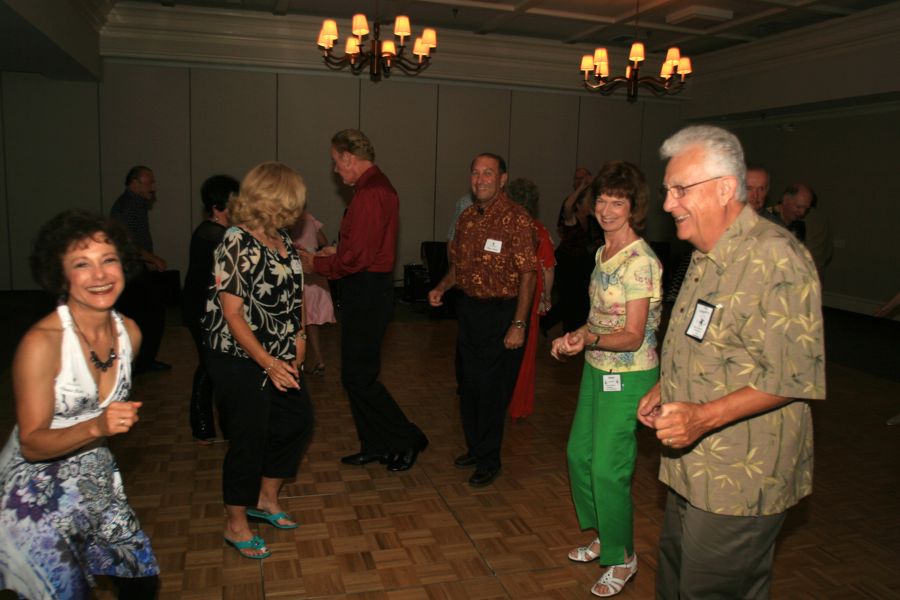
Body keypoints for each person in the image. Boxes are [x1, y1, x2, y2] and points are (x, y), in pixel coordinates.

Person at [638, 125, 826, 599]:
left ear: (725, 188)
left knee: (712, 591)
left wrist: (701, 417)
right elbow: (711, 342)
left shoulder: (775, 258)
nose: (667, 204)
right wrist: (667, 388)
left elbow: (793, 376)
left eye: (680, 189)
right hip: (693, 467)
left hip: (739, 477)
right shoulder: (708, 253)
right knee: (676, 582)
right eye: (667, 191)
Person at [0, 209, 159, 599]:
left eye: (109, 260)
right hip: (34, 499)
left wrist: (99, 433)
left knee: (141, 582)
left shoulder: (130, 334)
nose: (100, 275)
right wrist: (97, 427)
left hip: (95, 480)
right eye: (81, 265)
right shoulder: (43, 343)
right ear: (61, 275)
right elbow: (32, 443)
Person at [551, 161, 662, 597]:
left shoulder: (641, 262)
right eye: (602, 199)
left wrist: (588, 335)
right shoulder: (603, 252)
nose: (607, 209)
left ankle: (623, 556)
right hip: (598, 368)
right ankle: (605, 534)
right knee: (580, 455)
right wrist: (576, 336)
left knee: (608, 468)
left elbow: (633, 335)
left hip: (632, 375)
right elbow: (600, 316)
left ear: (634, 208)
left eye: (618, 202)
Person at [202, 161, 314, 559]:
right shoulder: (235, 240)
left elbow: (296, 294)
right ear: (274, 198)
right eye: (294, 199)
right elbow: (232, 314)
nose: (300, 207)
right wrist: (267, 361)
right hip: (239, 355)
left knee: (296, 421)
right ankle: (236, 525)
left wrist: (300, 337)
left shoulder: (281, 238)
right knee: (249, 436)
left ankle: (266, 499)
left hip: (280, 353)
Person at [299, 129, 428, 473]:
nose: (335, 170)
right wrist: (335, 251)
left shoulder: (372, 192)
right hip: (366, 289)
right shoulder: (372, 189)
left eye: (335, 162)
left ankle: (407, 437)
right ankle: (376, 445)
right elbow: (359, 249)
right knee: (357, 376)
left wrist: (317, 263)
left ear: (348, 158)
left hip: (368, 293)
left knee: (359, 378)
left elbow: (357, 258)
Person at [428, 153, 537, 487]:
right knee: (469, 385)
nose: (480, 179)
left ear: (502, 178)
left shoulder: (517, 219)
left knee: (491, 390)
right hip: (471, 311)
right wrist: (442, 287)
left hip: (503, 313)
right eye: (475, 173)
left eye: (488, 173)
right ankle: (475, 448)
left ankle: (489, 458)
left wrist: (518, 325)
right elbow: (459, 267)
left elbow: (528, 275)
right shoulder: (467, 219)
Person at [181, 174, 238, 443]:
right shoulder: (212, 233)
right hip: (201, 310)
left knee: (213, 365)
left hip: (208, 310)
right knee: (209, 365)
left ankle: (209, 425)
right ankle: (202, 424)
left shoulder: (219, 232)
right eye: (234, 198)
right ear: (220, 204)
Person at [110, 165, 171, 374]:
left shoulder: (136, 204)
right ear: (134, 183)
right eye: (149, 182)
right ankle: (139, 362)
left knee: (145, 316)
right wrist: (152, 258)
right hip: (130, 273)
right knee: (149, 316)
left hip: (136, 270)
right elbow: (126, 243)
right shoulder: (128, 207)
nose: (153, 187)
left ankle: (140, 361)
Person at [506, 178, 555, 421]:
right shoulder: (539, 230)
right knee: (525, 351)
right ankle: (519, 406)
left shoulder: (504, 226)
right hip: (530, 294)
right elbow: (547, 269)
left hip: (504, 293)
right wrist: (546, 298)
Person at [541, 168, 601, 335]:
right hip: (567, 263)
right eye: (587, 202)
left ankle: (566, 330)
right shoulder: (571, 217)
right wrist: (581, 187)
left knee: (580, 301)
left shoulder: (591, 218)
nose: (591, 204)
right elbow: (568, 205)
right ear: (579, 204)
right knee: (568, 301)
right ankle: (552, 325)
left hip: (582, 265)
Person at [290, 210, 336, 374]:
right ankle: (319, 361)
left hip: (300, 266)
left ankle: (297, 361)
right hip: (314, 266)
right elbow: (322, 240)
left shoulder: (287, 219)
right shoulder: (309, 217)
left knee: (301, 318)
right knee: (311, 320)